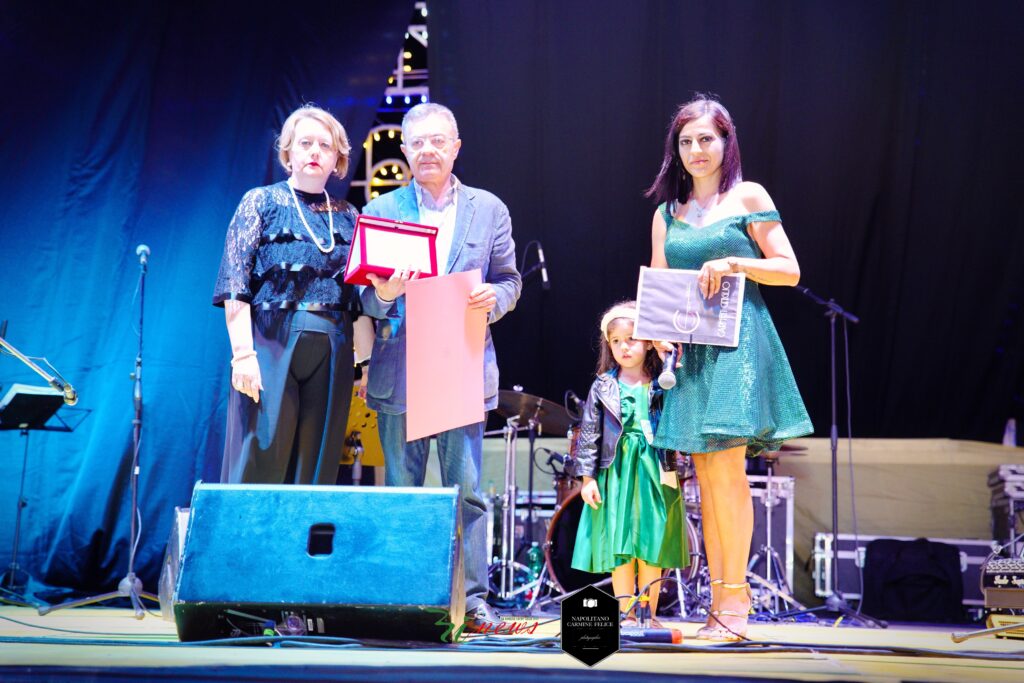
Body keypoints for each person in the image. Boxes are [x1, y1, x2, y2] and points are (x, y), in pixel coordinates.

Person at [647, 96, 813, 640]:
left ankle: (734, 606)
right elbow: (661, 289)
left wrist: (735, 260)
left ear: (726, 142)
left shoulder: (748, 196)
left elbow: (788, 271)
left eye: (706, 139)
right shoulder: (666, 214)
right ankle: (718, 607)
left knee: (727, 478)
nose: (697, 150)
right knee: (704, 479)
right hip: (691, 357)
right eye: (687, 141)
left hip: (739, 347)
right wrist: (658, 338)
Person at [359, 103, 521, 630]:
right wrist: (384, 292)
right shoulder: (381, 209)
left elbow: (509, 280)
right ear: (404, 150)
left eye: (438, 141)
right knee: (402, 490)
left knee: (467, 490)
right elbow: (366, 297)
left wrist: (494, 297)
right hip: (402, 363)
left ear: (456, 146)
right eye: (417, 142)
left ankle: (473, 600)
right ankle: (399, 595)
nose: (427, 150)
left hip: (461, 363)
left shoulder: (489, 209)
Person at [213, 104, 360, 485]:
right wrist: (242, 355)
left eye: (324, 146)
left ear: (337, 158)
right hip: (270, 344)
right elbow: (235, 283)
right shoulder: (260, 202)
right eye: (305, 143)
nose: (314, 152)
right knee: (260, 458)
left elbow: (358, 298)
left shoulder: (349, 215)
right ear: (288, 153)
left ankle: (303, 545)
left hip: (335, 346)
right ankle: (245, 545)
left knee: (317, 468)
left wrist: (364, 363)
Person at [571, 302, 690, 628]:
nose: (624, 346)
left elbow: (686, 383)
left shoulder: (664, 381)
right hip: (617, 470)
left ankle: (648, 616)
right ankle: (624, 614)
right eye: (616, 341)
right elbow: (590, 434)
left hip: (654, 467)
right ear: (608, 345)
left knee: (651, 540)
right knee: (620, 543)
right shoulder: (603, 385)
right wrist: (587, 478)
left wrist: (669, 353)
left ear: (649, 341)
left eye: (633, 338)